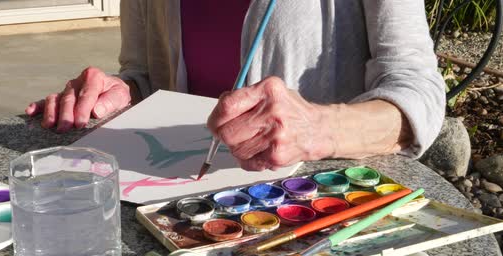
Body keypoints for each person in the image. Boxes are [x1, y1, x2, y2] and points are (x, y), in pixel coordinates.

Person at [26, 1, 445, 171]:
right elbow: (147, 75)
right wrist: (123, 93)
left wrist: (319, 129)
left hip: (315, 212)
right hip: (179, 210)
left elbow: (418, 91)